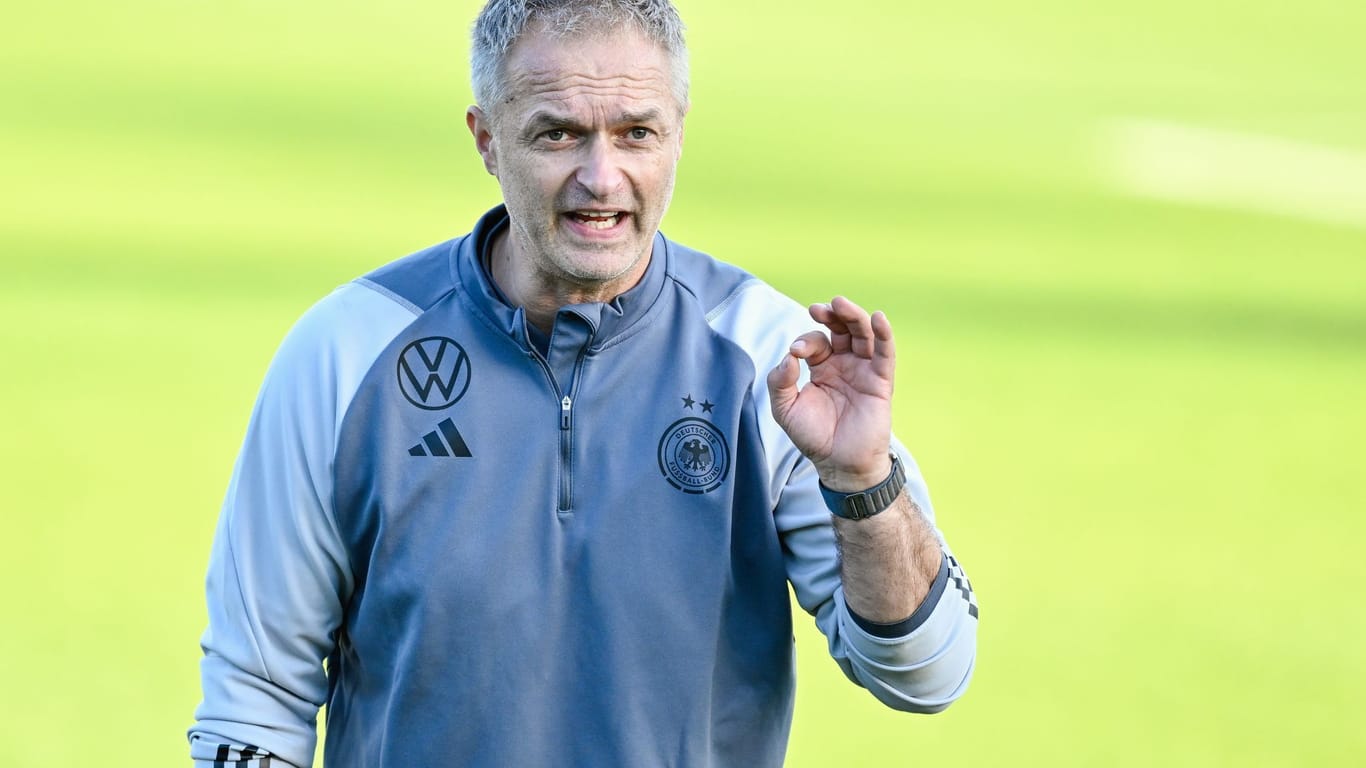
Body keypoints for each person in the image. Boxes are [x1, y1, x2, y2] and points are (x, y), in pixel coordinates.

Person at [188, 1, 978, 766]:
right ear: (487, 139)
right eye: (559, 133)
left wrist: (862, 480)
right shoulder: (346, 353)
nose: (601, 178)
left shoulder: (768, 360)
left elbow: (927, 672)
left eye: (637, 133)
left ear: (679, 134)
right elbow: (255, 696)